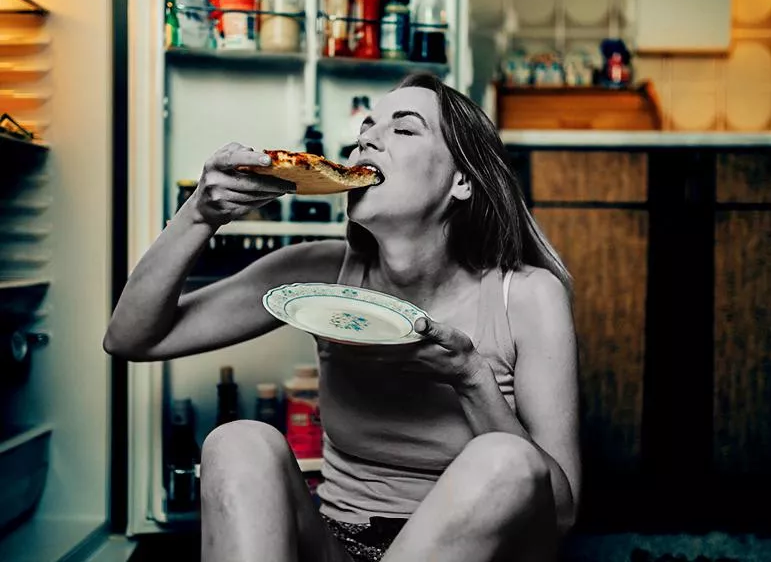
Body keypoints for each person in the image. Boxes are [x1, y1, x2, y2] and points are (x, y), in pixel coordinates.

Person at [104, 72, 581, 562]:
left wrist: (471, 378)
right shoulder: (321, 275)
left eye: (403, 128)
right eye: (366, 130)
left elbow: (560, 511)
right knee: (237, 441)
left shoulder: (523, 296)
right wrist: (199, 215)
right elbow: (131, 338)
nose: (366, 139)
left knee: (505, 459)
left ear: (461, 180)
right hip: (339, 544)